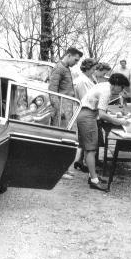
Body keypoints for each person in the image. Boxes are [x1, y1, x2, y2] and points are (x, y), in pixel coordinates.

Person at [77, 73, 130, 191]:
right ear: (116, 85)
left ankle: (92, 176)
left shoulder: (104, 85)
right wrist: (119, 121)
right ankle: (94, 181)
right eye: (122, 88)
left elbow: (101, 109)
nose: (122, 91)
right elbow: (102, 114)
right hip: (88, 116)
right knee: (91, 149)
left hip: (85, 114)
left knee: (88, 148)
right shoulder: (107, 91)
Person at [48, 47, 83, 179]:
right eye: (75, 59)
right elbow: (52, 91)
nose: (76, 62)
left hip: (67, 108)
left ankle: (64, 169)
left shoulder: (66, 68)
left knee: (67, 139)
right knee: (60, 140)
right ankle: (58, 171)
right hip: (62, 109)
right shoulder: (59, 68)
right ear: (68, 55)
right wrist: (59, 110)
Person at [72, 58, 98, 173]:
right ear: (87, 68)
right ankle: (85, 164)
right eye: (93, 68)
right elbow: (85, 99)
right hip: (85, 111)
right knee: (87, 142)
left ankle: (79, 161)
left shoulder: (88, 78)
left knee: (84, 140)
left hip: (87, 111)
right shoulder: (82, 81)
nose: (94, 70)